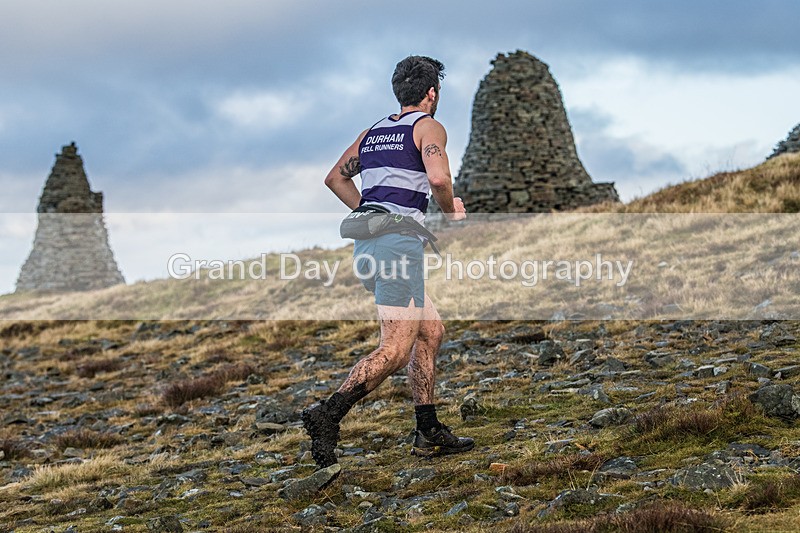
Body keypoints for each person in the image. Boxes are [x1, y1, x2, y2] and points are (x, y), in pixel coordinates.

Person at [301, 55, 474, 469]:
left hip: (371, 248)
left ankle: (427, 429)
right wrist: (452, 212)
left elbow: (335, 178)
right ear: (432, 93)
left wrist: (372, 212)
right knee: (395, 350)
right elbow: (438, 179)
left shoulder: (373, 133)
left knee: (430, 332)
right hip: (397, 247)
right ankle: (327, 416)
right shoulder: (427, 127)